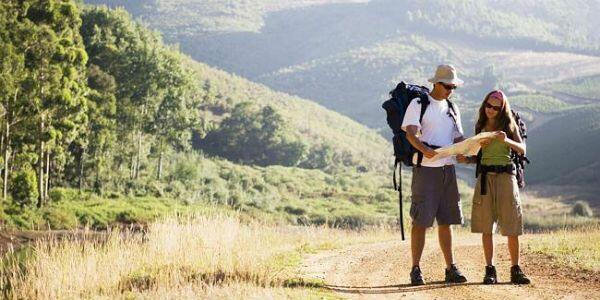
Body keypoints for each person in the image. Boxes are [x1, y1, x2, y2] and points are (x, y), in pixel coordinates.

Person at [401, 64, 468, 286]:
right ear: (436, 83)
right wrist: (424, 150)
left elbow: (458, 138)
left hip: (447, 169)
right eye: (448, 86)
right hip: (426, 170)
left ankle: (451, 268)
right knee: (421, 221)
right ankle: (415, 269)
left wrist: (465, 152)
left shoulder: (452, 108)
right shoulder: (418, 104)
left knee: (446, 221)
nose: (451, 90)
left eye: (453, 87)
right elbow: (410, 133)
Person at [462, 90, 531, 285]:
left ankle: (515, 269)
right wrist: (465, 159)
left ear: (502, 109)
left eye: (496, 107)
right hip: (485, 177)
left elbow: (522, 148)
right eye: (488, 106)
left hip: (506, 177)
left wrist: (505, 140)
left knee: (512, 225)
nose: (491, 110)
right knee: (486, 226)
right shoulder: (480, 126)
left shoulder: (509, 124)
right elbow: (478, 155)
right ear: (484, 105)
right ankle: (489, 269)